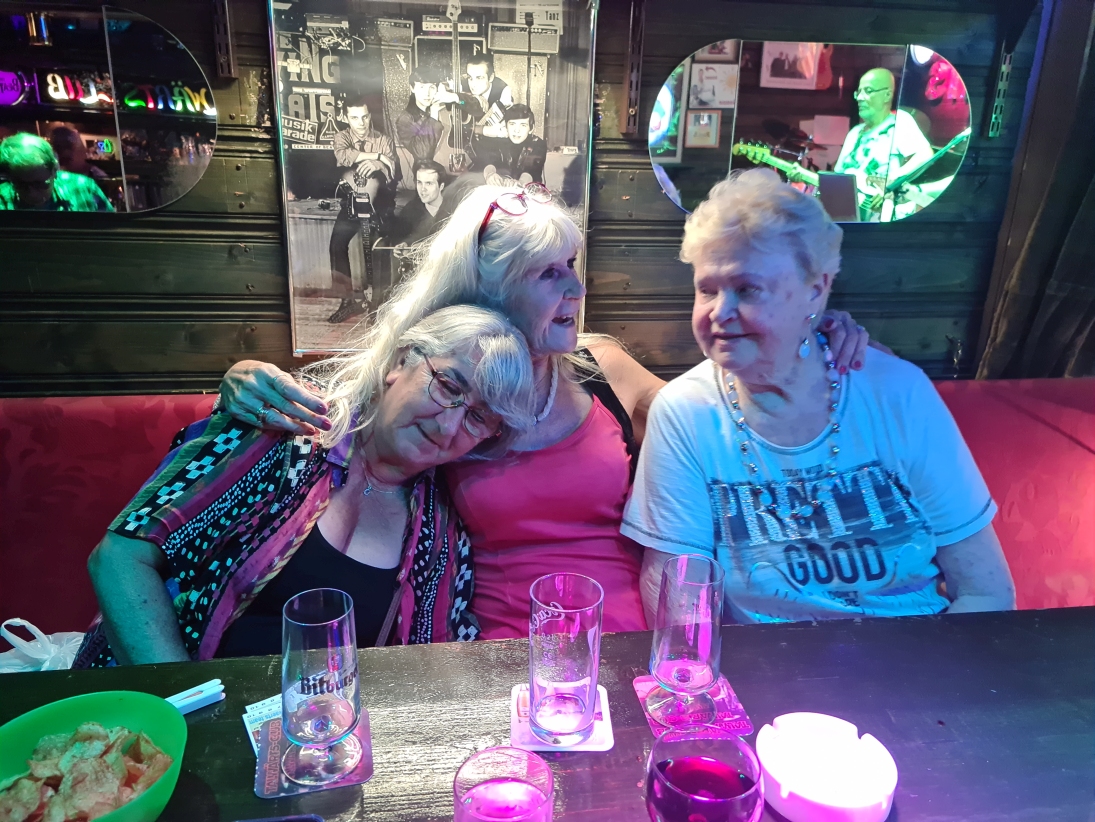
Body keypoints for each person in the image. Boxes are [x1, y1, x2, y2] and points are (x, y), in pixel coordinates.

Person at [214, 184, 873, 640]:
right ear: (493, 289)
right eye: (549, 274)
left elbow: (715, 416)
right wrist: (241, 382)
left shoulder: (599, 365)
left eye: (572, 266)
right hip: (495, 648)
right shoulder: (442, 378)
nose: (577, 288)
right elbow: (348, 428)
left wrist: (800, 333)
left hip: (634, 634)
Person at [621, 169, 1016, 625]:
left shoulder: (898, 393)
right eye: (707, 290)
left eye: (747, 289)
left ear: (817, 289)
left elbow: (985, 592)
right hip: (762, 664)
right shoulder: (685, 413)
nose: (720, 312)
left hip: (914, 654)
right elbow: (679, 612)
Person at [73, 304, 535, 667]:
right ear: (400, 362)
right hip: (159, 714)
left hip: (312, 735)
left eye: (478, 417)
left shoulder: (440, 531)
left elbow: (439, 657)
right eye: (448, 387)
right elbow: (120, 557)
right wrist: (182, 707)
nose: (450, 425)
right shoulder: (279, 431)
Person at [328, 96, 398, 324]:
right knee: (336, 245)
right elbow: (343, 156)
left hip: (379, 205)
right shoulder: (341, 137)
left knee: (379, 248)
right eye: (355, 118)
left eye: (365, 117)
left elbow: (393, 172)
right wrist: (378, 157)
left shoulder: (384, 140)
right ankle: (347, 301)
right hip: (351, 204)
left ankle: (378, 303)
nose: (361, 123)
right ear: (345, 117)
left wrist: (380, 165)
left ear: (369, 116)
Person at [832, 68, 934, 221]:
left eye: (868, 91)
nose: (860, 97)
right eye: (858, 92)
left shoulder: (899, 122)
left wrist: (892, 181)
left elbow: (925, 155)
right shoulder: (854, 133)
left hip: (881, 215)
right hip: (848, 216)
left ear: (887, 95)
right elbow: (838, 176)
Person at [0, 132, 113, 212]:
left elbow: (109, 230)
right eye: (21, 185)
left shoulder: (84, 187)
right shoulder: (2, 198)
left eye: (40, 184)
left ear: (54, 171)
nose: (31, 193)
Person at [475, 105, 547, 187]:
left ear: (531, 129)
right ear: (506, 126)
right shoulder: (498, 140)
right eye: (512, 124)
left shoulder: (538, 144)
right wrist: (490, 174)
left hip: (528, 190)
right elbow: (490, 160)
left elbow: (531, 170)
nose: (517, 130)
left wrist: (521, 182)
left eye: (523, 125)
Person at [395, 67, 446, 165]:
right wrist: (433, 117)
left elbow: (463, 103)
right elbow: (422, 153)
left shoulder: (443, 106)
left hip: (450, 163)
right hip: (426, 171)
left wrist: (457, 99)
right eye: (422, 87)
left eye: (432, 87)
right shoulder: (405, 119)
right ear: (412, 88)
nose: (427, 93)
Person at [392, 159, 450, 245]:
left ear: (441, 186)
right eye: (419, 182)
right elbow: (399, 239)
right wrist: (403, 245)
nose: (423, 189)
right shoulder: (409, 211)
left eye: (428, 183)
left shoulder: (454, 209)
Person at [462, 54, 514, 139]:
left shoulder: (503, 90)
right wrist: (471, 99)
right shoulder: (462, 85)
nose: (473, 84)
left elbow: (501, 130)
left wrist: (479, 129)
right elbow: (459, 102)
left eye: (479, 78)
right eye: (470, 77)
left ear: (491, 77)